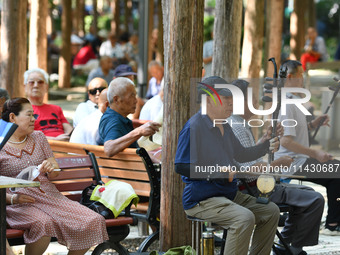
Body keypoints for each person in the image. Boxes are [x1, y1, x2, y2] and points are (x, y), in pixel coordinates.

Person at [175, 76, 280, 255]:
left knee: (270, 211)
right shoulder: (194, 127)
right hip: (202, 199)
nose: (231, 104)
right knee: (243, 218)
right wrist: (215, 173)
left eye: (232, 99)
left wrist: (266, 145)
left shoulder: (224, 124)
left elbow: (241, 154)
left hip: (228, 195)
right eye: (226, 100)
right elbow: (181, 166)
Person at [1, 97, 108, 255]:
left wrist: (52, 167)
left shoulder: (39, 137)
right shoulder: (1, 144)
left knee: (93, 220)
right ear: (12, 117)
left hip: (50, 197)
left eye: (34, 116)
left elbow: (54, 170)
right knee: (43, 223)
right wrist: (12, 199)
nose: (33, 119)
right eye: (29, 115)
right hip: (18, 201)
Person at [229, 79, 325, 255]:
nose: (256, 103)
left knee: (309, 195)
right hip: (254, 190)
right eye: (252, 99)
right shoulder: (237, 126)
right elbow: (249, 172)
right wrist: (276, 164)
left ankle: (285, 244)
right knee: (315, 199)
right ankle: (293, 248)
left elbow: (246, 155)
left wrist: (264, 140)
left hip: (256, 185)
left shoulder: (238, 123)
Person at [275, 60, 340, 235]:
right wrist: (316, 153)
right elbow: (286, 142)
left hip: (299, 158)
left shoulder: (293, 100)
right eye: (301, 75)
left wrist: (312, 124)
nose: (303, 79)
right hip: (292, 162)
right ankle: (332, 225)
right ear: (290, 77)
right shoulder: (287, 104)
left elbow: (294, 131)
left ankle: (334, 221)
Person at [99, 77, 161, 157]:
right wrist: (139, 131)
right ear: (116, 99)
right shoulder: (113, 120)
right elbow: (109, 149)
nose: (136, 101)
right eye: (132, 96)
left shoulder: (117, 117)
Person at [24, 68, 73, 141]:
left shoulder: (56, 108)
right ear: (25, 87)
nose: (36, 85)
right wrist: (54, 140)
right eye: (31, 82)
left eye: (40, 82)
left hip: (64, 145)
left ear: (46, 87)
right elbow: (26, 134)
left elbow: (69, 130)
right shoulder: (22, 110)